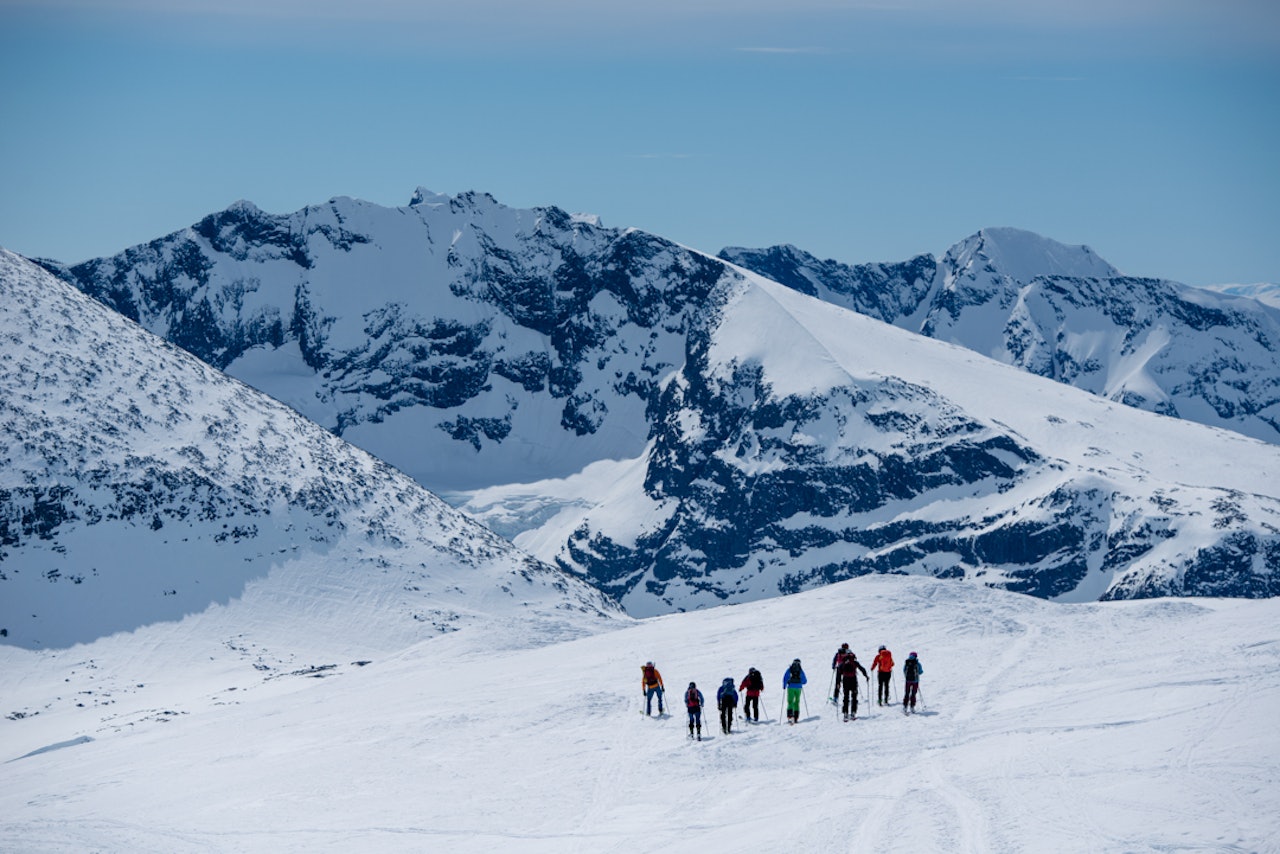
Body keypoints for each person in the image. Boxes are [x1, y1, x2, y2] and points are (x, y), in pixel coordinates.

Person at [837, 652, 868, 721]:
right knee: (854, 697)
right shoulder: (854, 662)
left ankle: (845, 713)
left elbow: (839, 672)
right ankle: (853, 713)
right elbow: (862, 669)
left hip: (845, 680)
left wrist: (838, 682)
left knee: (846, 697)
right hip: (853, 680)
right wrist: (866, 676)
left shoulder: (843, 662)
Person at [782, 658, 807, 724]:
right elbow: (805, 681)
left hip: (790, 687)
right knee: (797, 701)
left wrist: (784, 686)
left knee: (790, 701)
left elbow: (785, 678)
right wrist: (800, 682)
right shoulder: (800, 670)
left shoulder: (790, 669)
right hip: (798, 688)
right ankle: (796, 717)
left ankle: (790, 716)